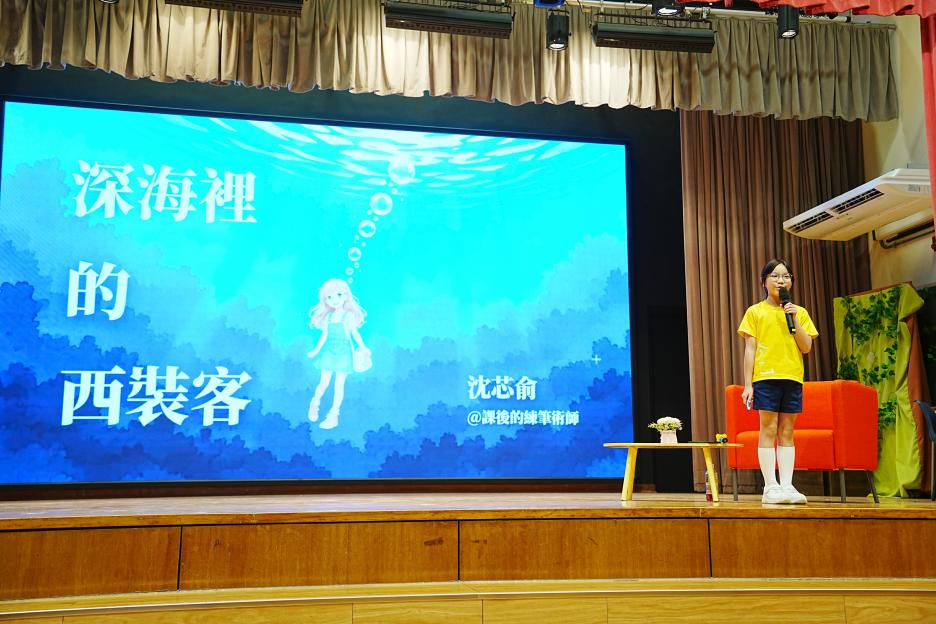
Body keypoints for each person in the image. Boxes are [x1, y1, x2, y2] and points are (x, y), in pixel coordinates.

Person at [738, 259, 818, 505]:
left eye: (786, 276)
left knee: (787, 431)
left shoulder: (799, 312)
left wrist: (794, 319)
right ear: (764, 281)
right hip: (766, 377)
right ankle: (770, 486)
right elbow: (750, 349)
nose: (781, 280)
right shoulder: (755, 312)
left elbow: (806, 346)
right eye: (775, 276)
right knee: (769, 428)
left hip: (792, 376)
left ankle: (787, 485)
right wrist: (748, 385)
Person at [306, 278, 370, 430]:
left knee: (339, 384)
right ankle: (315, 403)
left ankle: (334, 415)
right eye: (329, 297)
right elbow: (324, 335)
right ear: (325, 300)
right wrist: (316, 350)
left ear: (346, 296)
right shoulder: (328, 317)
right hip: (329, 350)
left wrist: (364, 347)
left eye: (339, 295)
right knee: (324, 382)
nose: (334, 300)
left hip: (344, 352)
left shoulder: (348, 315)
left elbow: (355, 334)